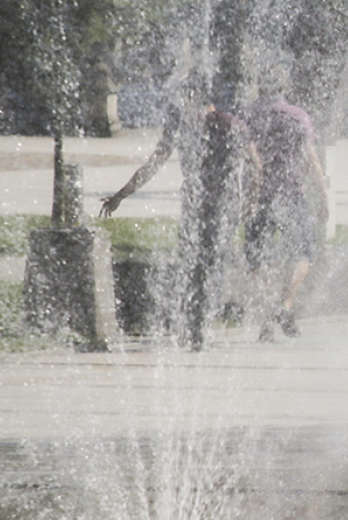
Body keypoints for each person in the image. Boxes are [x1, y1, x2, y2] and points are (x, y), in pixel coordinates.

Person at [100, 71, 259, 349]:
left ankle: (191, 326)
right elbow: (256, 166)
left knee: (193, 265)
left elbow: (154, 163)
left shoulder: (182, 124)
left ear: (190, 96)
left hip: (194, 206)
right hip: (226, 208)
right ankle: (201, 328)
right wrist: (250, 202)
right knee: (213, 266)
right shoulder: (233, 124)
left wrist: (122, 195)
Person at [241, 67, 329, 343]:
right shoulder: (297, 116)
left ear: (259, 84)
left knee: (257, 259)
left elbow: (242, 158)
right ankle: (285, 305)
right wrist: (324, 196)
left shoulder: (246, 115)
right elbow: (312, 161)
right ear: (284, 86)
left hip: (258, 198)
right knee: (302, 253)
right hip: (292, 195)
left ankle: (267, 317)